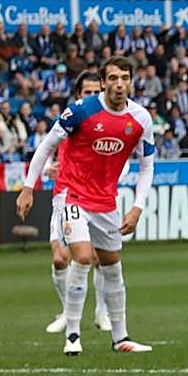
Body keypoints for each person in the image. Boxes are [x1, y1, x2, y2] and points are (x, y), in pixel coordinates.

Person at [17, 56, 155, 355]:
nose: (119, 84)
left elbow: (147, 166)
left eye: (125, 78)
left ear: (131, 81)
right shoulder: (80, 111)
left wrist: (137, 206)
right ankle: (73, 335)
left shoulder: (141, 118)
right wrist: (28, 187)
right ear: (103, 83)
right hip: (73, 194)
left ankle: (120, 338)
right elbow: (46, 146)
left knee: (112, 266)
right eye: (114, 78)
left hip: (106, 201)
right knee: (80, 255)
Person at [42, 70, 112, 336]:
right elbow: (46, 150)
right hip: (65, 195)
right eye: (87, 93)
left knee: (98, 257)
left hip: (97, 197)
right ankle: (66, 311)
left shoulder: (111, 120)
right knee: (61, 259)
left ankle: (102, 313)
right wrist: (48, 168)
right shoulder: (70, 119)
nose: (93, 97)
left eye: (97, 92)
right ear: (78, 95)